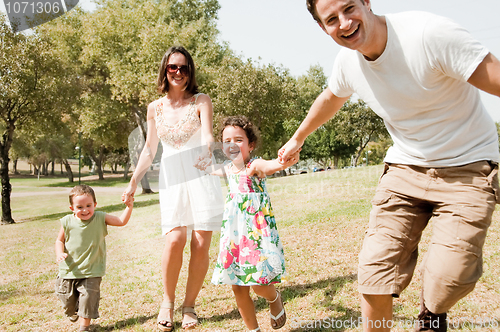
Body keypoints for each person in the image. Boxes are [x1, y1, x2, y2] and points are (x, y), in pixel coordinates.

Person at [279, 0, 500, 331]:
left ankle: (432, 313)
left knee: (448, 279)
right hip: (405, 168)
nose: (344, 22)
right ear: (323, 28)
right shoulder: (348, 62)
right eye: (331, 19)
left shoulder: (428, 34)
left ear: (367, 2)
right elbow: (331, 97)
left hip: (468, 168)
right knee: (374, 272)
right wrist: (298, 138)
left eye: (349, 7)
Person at [121, 45, 224, 331]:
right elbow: (149, 148)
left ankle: (189, 306)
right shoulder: (155, 107)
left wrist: (207, 152)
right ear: (165, 70)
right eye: (172, 67)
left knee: (201, 242)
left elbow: (207, 135)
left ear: (190, 72)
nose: (178, 72)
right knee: (175, 239)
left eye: (184, 68)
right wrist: (132, 181)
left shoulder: (201, 100)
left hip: (199, 173)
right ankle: (167, 301)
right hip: (172, 177)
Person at [198, 115, 299, 331]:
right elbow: (211, 169)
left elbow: (270, 166)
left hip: (255, 236)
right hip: (234, 237)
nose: (232, 144)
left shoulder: (253, 166)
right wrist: (201, 165)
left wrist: (282, 162)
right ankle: (253, 330)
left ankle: (274, 298)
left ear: (251, 145)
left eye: (239, 140)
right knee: (237, 287)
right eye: (227, 141)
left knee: (258, 285)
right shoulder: (227, 168)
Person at [55, 184, 133, 332]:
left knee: (88, 297)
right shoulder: (67, 221)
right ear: (72, 208)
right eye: (79, 207)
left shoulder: (100, 218)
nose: (85, 210)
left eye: (88, 205)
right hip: (70, 270)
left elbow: (121, 221)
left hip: (92, 270)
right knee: (68, 303)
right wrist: (60, 253)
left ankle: (84, 327)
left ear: (95, 204)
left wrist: (129, 207)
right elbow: (59, 241)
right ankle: (73, 310)